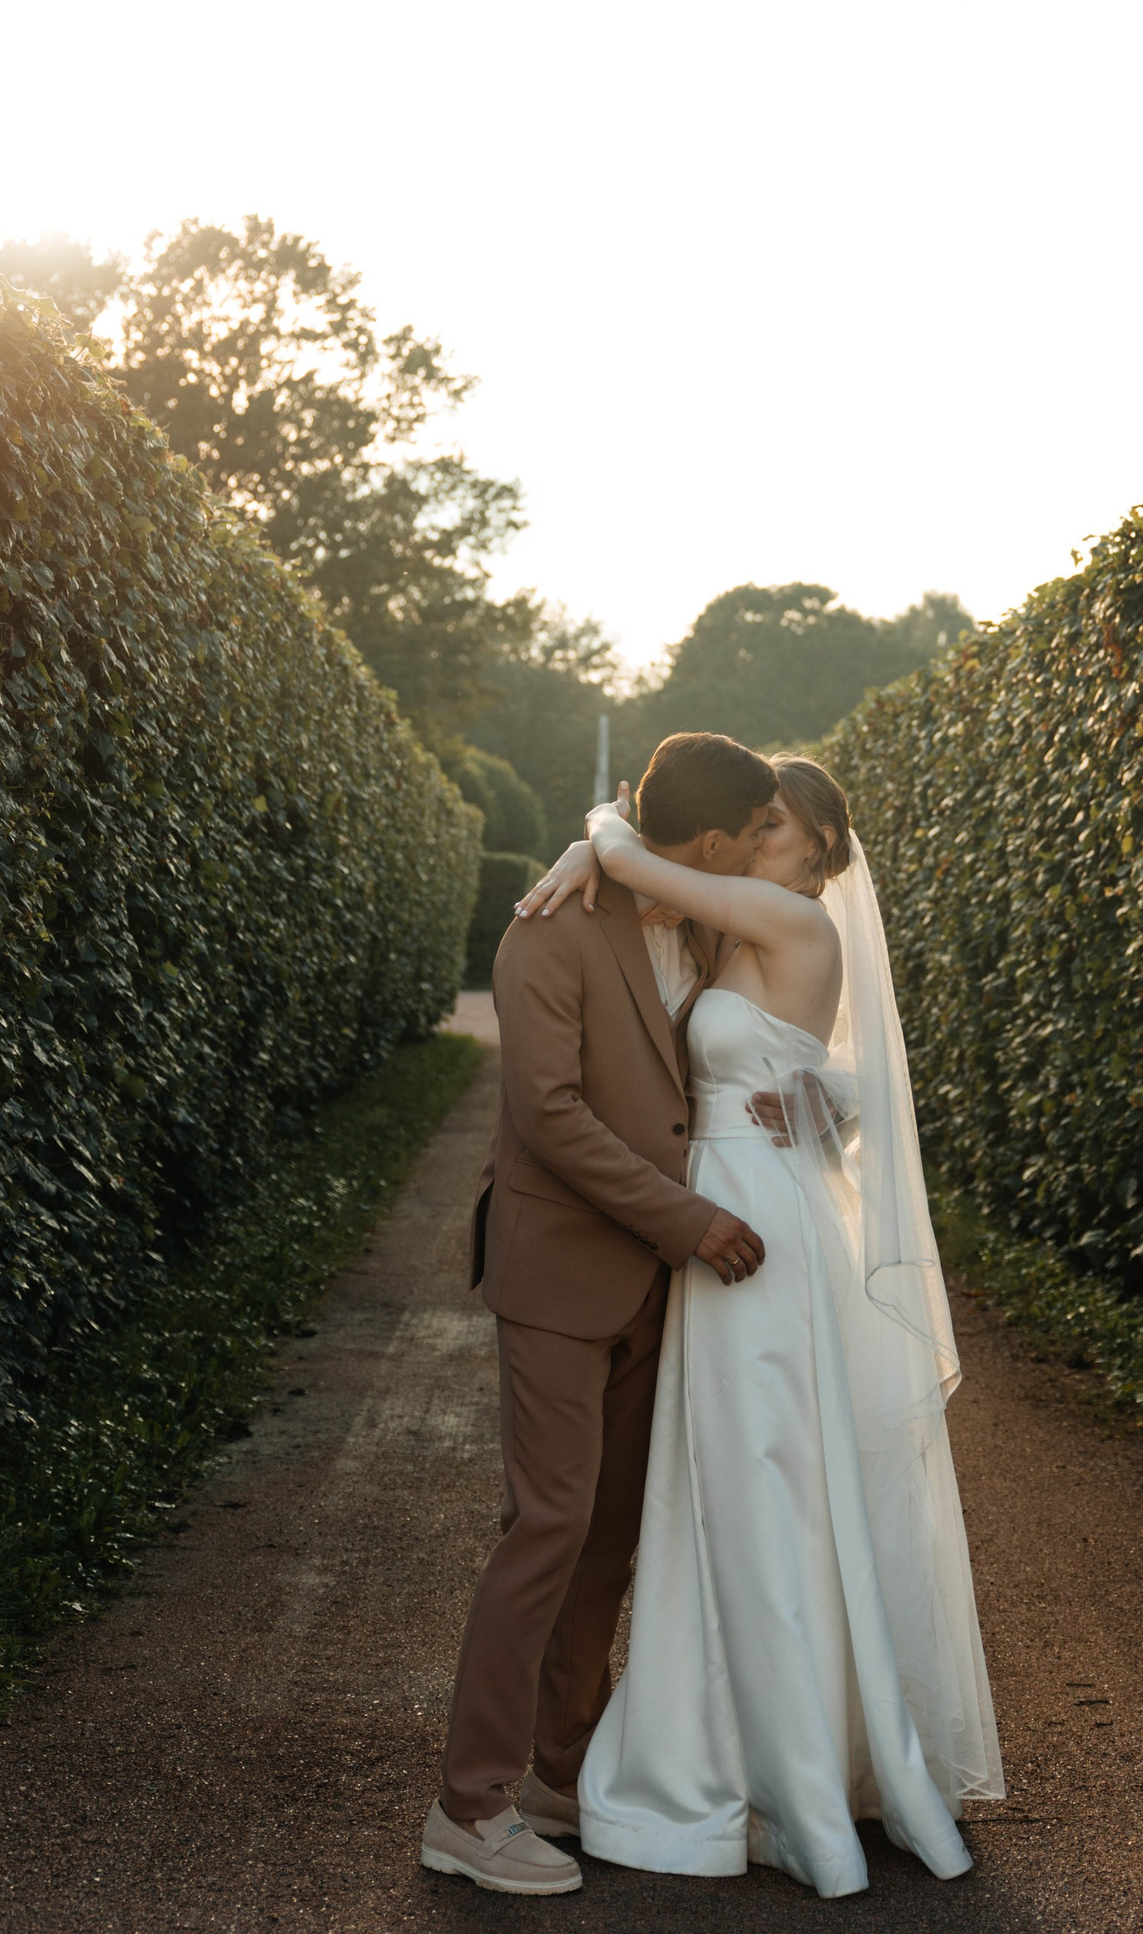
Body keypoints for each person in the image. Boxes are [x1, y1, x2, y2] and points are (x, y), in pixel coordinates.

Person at [527, 754, 1002, 1899]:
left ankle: (784, 1773)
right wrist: (597, 846)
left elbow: (637, 854)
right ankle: (732, 1750)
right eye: (750, 825)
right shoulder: (725, 927)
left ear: (823, 848)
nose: (754, 840)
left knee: (767, 1481)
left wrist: (591, 834)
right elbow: (651, 871)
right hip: (717, 1207)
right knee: (717, 1485)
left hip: (762, 1228)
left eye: (775, 826)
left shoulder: (793, 923)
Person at [421, 730, 779, 1898]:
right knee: (547, 1527)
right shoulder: (548, 928)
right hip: (563, 1270)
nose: (761, 851)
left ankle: (561, 1780)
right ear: (713, 842)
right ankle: (467, 1808)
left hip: (657, 1289)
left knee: (610, 1541)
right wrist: (690, 1220)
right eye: (754, 835)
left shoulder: (706, 918)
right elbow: (551, 1115)